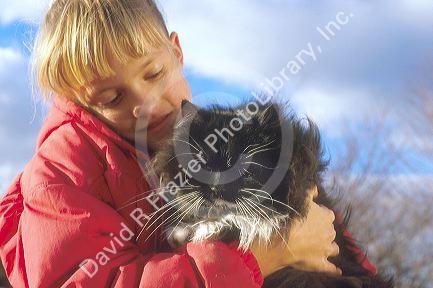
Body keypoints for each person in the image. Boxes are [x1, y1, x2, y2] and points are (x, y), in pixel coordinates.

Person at [0, 0, 373, 287]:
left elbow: (334, 243)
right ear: (81, 103)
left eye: (155, 73)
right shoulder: (59, 175)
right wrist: (253, 260)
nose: (145, 103)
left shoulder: (215, 135)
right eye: (112, 98)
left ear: (177, 52)